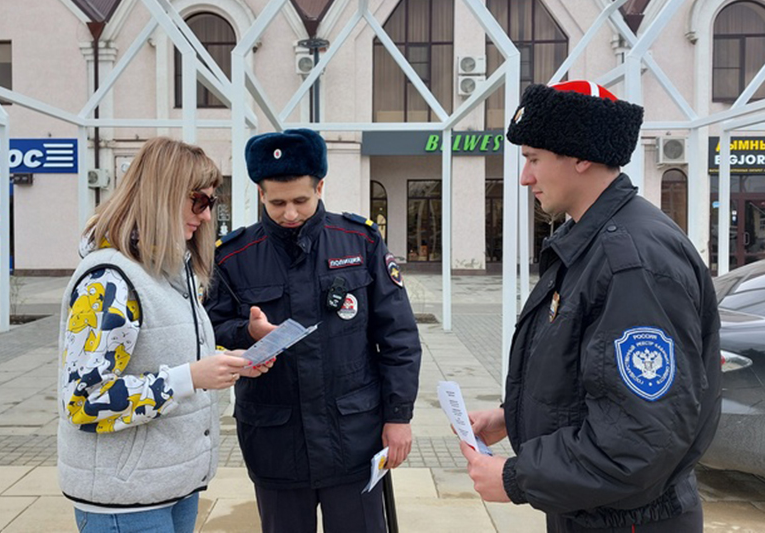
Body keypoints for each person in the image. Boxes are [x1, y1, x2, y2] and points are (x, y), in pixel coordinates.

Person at [458, 81, 721, 533]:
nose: (525, 178)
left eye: (534, 159)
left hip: (627, 519)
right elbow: (589, 375)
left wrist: (519, 477)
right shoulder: (592, 241)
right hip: (594, 507)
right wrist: (512, 416)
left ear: (581, 157)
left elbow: (641, 437)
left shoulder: (631, 262)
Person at [204, 128, 422, 533]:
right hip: (275, 443)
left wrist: (398, 416)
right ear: (260, 193)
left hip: (354, 439)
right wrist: (246, 333)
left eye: (301, 201)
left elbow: (399, 338)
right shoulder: (233, 257)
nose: (290, 214)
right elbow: (207, 328)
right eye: (277, 202)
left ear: (320, 186)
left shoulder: (360, 242)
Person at [57, 137, 271, 533]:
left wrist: (229, 360)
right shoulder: (109, 281)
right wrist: (190, 377)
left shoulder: (169, 272)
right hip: (124, 500)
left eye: (211, 203)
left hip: (168, 485)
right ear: (164, 194)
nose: (207, 217)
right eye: (199, 202)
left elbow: (166, 350)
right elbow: (84, 401)